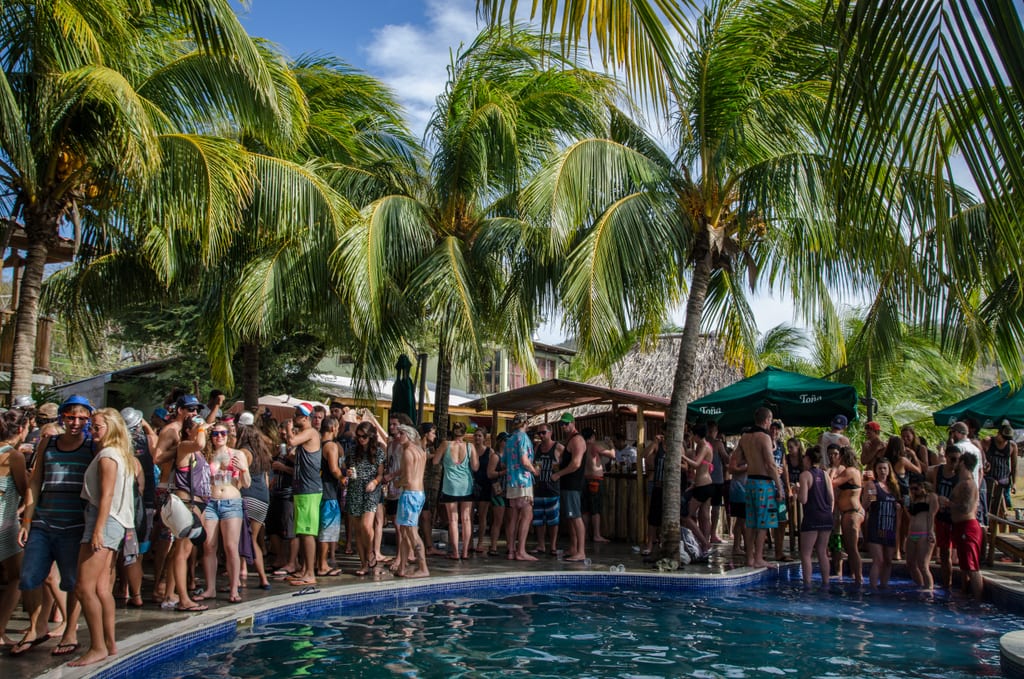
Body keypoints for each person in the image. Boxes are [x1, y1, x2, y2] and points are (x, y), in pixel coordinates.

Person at [12, 395, 95, 657]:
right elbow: (35, 482)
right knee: (29, 577)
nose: (76, 422)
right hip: (43, 520)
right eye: (71, 416)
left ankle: (70, 631)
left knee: (72, 581)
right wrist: (26, 520)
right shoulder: (49, 443)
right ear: (62, 416)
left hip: (75, 524)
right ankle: (36, 627)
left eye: (82, 417)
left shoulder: (92, 446)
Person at [68, 409, 138, 667]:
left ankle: (97, 646)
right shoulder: (123, 456)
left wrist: (96, 530)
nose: (92, 432)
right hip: (115, 522)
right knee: (101, 588)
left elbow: (106, 496)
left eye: (97, 427)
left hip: (103, 520)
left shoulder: (108, 456)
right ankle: (108, 643)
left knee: (84, 587)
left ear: (112, 428)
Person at [196, 419, 250, 603]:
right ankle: (210, 588)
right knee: (209, 546)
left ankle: (234, 588)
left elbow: (247, 483)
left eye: (222, 433)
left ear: (228, 436)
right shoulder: (206, 454)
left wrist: (243, 470)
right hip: (211, 502)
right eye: (215, 433)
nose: (219, 436)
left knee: (230, 546)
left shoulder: (237, 454)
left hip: (231, 501)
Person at [164, 416, 210, 613]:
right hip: (187, 504)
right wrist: (201, 428)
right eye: (198, 428)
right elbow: (199, 442)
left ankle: (171, 593)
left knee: (182, 552)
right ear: (189, 430)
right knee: (182, 553)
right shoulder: (184, 447)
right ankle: (183, 598)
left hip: (197, 504)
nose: (204, 432)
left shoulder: (198, 454)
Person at [0, 409, 30, 647]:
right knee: (17, 577)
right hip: (4, 523)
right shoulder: (13, 457)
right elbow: (24, 488)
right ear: (21, 429)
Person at [738, 407, 782, 568]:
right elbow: (771, 465)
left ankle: (749, 558)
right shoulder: (764, 438)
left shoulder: (744, 438)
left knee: (751, 522)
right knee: (763, 522)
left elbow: (736, 460)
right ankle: (758, 558)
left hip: (749, 482)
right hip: (763, 483)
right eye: (770, 420)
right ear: (766, 420)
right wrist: (779, 487)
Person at [284, 403, 322, 588]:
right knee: (302, 531)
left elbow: (291, 442)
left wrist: (288, 430)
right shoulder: (306, 435)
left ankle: (310, 573)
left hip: (309, 490)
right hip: (302, 489)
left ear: (306, 418)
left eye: (297, 415)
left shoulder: (311, 432)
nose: (294, 417)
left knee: (307, 532)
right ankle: (305, 569)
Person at [434, 421, 478, 560]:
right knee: (466, 519)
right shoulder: (470, 446)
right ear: (465, 433)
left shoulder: (445, 445)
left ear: (452, 432)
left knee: (453, 520)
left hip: (450, 486)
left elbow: (435, 461)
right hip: (466, 486)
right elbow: (475, 467)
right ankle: (465, 552)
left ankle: (455, 552)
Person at [237, 420, 273, 590]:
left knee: (238, 539)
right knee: (252, 539)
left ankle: (239, 576)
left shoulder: (244, 452)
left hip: (247, 496)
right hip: (262, 498)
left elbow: (240, 478)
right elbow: (266, 479)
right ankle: (262, 577)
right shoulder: (263, 453)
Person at [347, 421, 385, 576]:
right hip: (355, 489)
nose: (361, 439)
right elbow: (347, 468)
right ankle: (363, 563)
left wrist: (375, 482)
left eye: (364, 436)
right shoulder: (352, 451)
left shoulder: (378, 452)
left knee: (366, 525)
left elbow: (381, 474)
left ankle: (370, 553)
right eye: (359, 436)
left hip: (371, 490)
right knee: (357, 529)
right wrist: (347, 473)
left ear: (370, 436)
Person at [392, 424, 429, 578]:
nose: (397, 436)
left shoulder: (407, 452)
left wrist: (396, 483)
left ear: (408, 435)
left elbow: (407, 478)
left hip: (410, 494)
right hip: (419, 493)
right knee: (405, 531)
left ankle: (423, 568)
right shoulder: (421, 451)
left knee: (412, 532)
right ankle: (401, 567)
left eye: (400, 433)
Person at [504, 413, 540, 561]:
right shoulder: (523, 438)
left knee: (513, 517)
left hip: (511, 481)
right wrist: (534, 470)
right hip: (523, 481)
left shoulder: (509, 439)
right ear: (526, 423)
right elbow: (525, 461)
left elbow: (504, 461)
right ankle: (521, 551)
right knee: (526, 515)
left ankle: (511, 551)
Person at [949, 451, 983, 599]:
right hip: (959, 527)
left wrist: (947, 503)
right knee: (964, 567)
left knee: (972, 567)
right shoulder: (961, 482)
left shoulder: (968, 484)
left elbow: (966, 507)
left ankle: (978, 601)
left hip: (968, 527)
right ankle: (965, 594)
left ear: (962, 463)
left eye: (956, 460)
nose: (953, 463)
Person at [797, 445, 833, 587]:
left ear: (808, 459)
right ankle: (826, 582)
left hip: (812, 516)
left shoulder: (805, 475)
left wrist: (797, 491)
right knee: (822, 552)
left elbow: (803, 499)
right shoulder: (825, 475)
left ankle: (807, 584)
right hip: (826, 516)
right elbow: (830, 497)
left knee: (805, 553)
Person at [552, 413, 585, 562]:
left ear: (573, 422)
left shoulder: (577, 440)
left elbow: (576, 464)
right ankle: (574, 547)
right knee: (571, 517)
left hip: (573, 484)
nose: (564, 427)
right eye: (562, 425)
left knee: (576, 517)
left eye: (566, 424)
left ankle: (581, 551)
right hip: (568, 484)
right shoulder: (570, 440)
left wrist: (559, 474)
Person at [927, 444, 961, 591]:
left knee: (957, 550)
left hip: (955, 516)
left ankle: (957, 583)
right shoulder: (938, 470)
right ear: (946, 457)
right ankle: (947, 583)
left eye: (958, 460)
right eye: (953, 459)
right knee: (944, 550)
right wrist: (936, 499)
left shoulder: (960, 474)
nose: (955, 463)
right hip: (941, 516)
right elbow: (933, 489)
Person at [315, 417, 344, 577]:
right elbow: (334, 469)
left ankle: (317, 563)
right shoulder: (331, 446)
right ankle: (323, 565)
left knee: (317, 530)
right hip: (328, 492)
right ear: (333, 428)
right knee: (326, 532)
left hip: (316, 491)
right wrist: (343, 478)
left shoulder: (315, 443)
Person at [864, 457, 900, 589]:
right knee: (878, 560)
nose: (882, 471)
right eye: (880, 468)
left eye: (885, 468)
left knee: (888, 561)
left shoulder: (894, 487)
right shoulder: (873, 485)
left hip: (889, 528)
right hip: (876, 526)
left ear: (889, 470)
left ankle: (884, 586)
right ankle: (873, 588)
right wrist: (870, 496)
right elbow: (868, 505)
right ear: (876, 470)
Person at [831, 446, 864, 585]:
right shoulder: (852, 471)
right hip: (849, 512)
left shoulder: (850, 471)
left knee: (852, 548)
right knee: (850, 547)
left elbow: (831, 483)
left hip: (852, 513)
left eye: (839, 456)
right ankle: (855, 577)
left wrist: (833, 469)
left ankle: (858, 578)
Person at [681, 423, 714, 553]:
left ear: (696, 435)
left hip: (703, 486)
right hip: (703, 484)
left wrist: (682, 457)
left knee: (686, 516)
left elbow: (696, 464)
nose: (691, 438)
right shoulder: (702, 446)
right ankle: (705, 546)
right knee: (704, 516)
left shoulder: (704, 446)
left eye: (692, 435)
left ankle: (705, 543)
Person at [531, 425, 562, 555]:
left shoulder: (558, 447)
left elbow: (566, 464)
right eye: (539, 433)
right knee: (538, 519)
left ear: (551, 432)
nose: (541, 436)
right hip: (539, 488)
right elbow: (534, 465)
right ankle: (541, 545)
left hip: (552, 488)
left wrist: (558, 474)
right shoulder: (537, 448)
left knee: (553, 520)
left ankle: (553, 546)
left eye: (543, 433)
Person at [905, 476, 937, 591]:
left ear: (922, 486)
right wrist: (907, 503)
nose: (913, 491)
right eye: (911, 489)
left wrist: (931, 531)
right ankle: (920, 585)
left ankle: (929, 589)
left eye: (915, 488)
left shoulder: (931, 497)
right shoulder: (912, 499)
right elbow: (911, 516)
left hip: (924, 533)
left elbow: (932, 515)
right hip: (912, 533)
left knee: (923, 565)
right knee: (910, 564)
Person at [417, 422, 444, 557]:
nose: (434, 435)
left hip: (422, 488)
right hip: (415, 488)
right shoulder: (418, 447)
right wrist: (438, 453)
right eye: (433, 433)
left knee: (426, 516)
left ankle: (428, 546)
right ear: (426, 433)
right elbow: (422, 457)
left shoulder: (429, 447)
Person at [985, 423, 1017, 517]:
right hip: (989, 480)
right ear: (998, 434)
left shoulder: (1012, 446)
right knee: (989, 508)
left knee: (1004, 512)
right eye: (1003, 438)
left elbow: (1014, 465)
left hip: (1004, 481)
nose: (1005, 441)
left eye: (1007, 439)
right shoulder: (988, 442)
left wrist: (1014, 483)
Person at [485, 432, 509, 555]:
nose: (507, 442)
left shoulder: (510, 456)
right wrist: (503, 472)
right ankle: (493, 546)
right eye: (505, 440)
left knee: (510, 520)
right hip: (498, 491)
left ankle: (510, 546)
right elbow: (490, 474)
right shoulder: (496, 456)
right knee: (498, 520)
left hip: (509, 491)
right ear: (500, 441)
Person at [643, 434, 667, 556]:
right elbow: (644, 455)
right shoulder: (658, 446)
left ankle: (663, 543)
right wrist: (654, 442)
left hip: (669, 487)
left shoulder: (678, 446)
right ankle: (650, 544)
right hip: (657, 484)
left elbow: (684, 466)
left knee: (666, 516)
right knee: (653, 516)